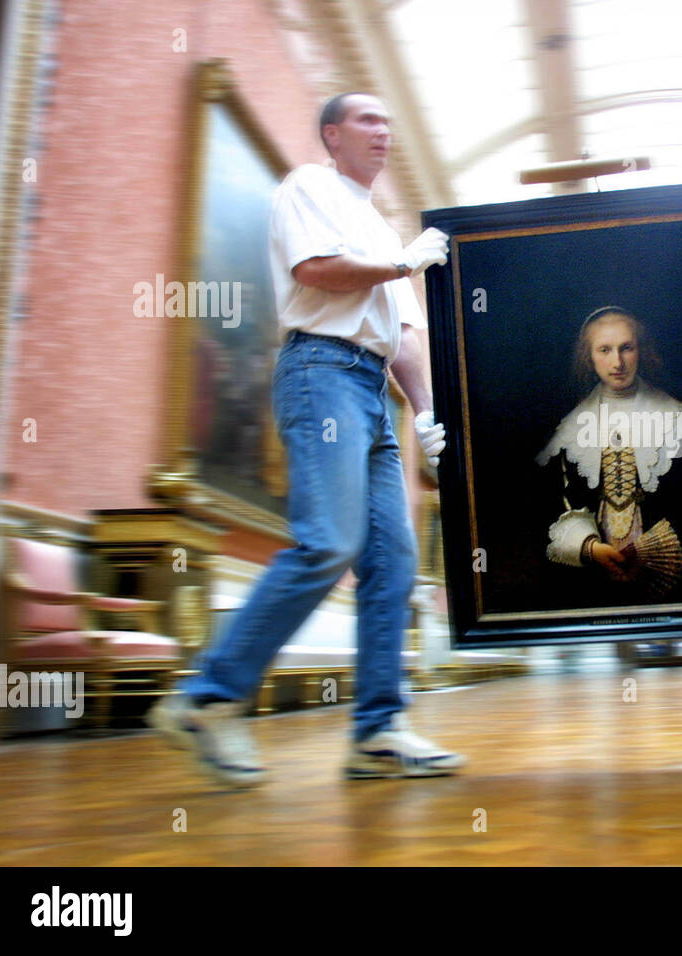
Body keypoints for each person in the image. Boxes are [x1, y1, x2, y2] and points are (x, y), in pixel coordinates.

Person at [149, 92, 464, 787]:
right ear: (332, 133)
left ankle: (378, 731)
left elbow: (406, 334)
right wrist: (403, 263)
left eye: (389, 120)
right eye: (368, 120)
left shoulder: (382, 228)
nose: (384, 131)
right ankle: (208, 699)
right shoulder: (310, 187)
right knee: (330, 539)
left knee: (395, 561)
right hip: (320, 372)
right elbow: (313, 271)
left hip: (372, 393)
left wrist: (424, 415)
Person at [536, 306, 682, 604]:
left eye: (626, 348)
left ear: (640, 352)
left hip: (670, 579)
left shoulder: (670, 414)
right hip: (594, 578)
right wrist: (590, 548)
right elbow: (559, 500)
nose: (617, 361)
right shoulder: (571, 429)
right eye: (605, 350)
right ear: (589, 358)